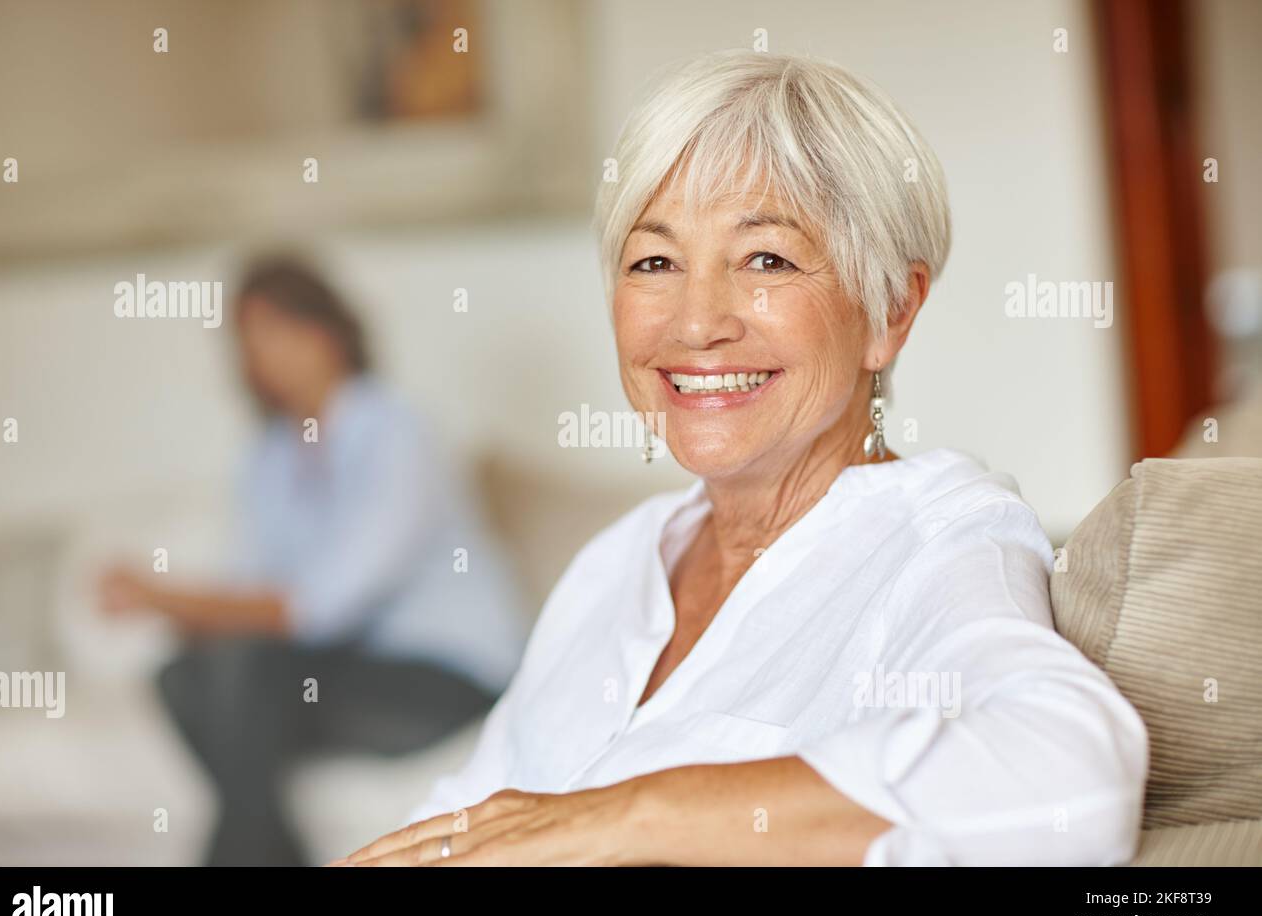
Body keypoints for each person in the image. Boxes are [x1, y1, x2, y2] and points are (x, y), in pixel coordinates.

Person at [340, 51, 1149, 867]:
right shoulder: (620, 561)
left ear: (890, 312)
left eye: (767, 259)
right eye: (655, 261)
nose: (697, 323)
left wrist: (636, 814)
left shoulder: (941, 540)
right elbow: (469, 817)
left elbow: (1070, 785)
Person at [99, 256, 526, 866]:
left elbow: (319, 609)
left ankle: (244, 849)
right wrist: (191, 616)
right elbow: (252, 596)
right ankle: (268, 842)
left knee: (248, 677)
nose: (266, 355)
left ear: (328, 331)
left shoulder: (395, 432)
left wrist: (162, 596)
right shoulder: (269, 457)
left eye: (280, 331)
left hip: (443, 676)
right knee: (181, 676)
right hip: (340, 672)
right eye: (250, 340)